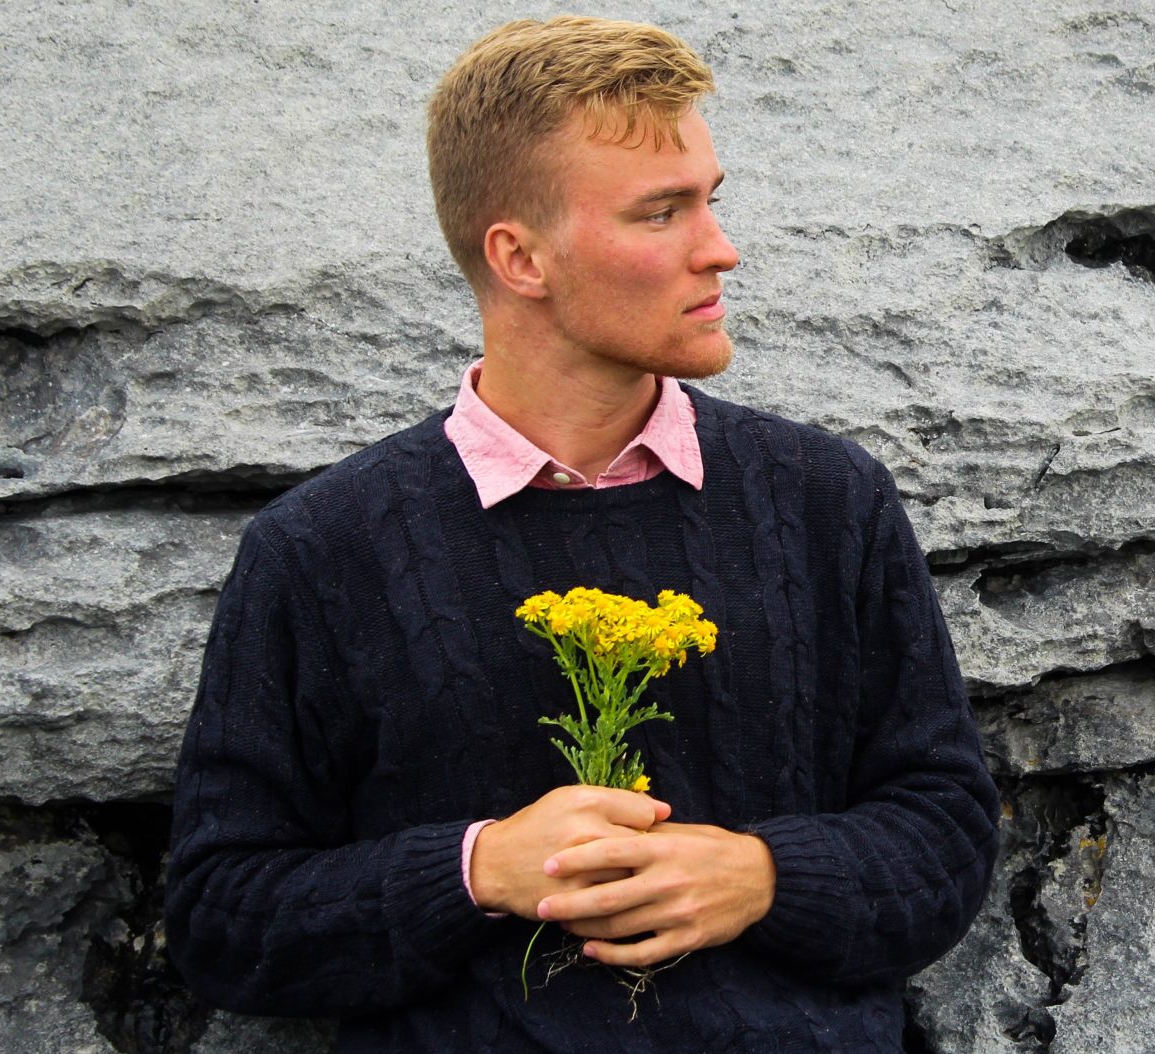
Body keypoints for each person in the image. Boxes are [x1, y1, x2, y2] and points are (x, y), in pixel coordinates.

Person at [165, 16, 999, 1053]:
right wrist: (476, 870)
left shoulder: (826, 499)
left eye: (709, 199)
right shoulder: (323, 548)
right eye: (660, 213)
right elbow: (219, 916)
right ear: (519, 256)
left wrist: (766, 877)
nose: (719, 248)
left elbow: (949, 833)